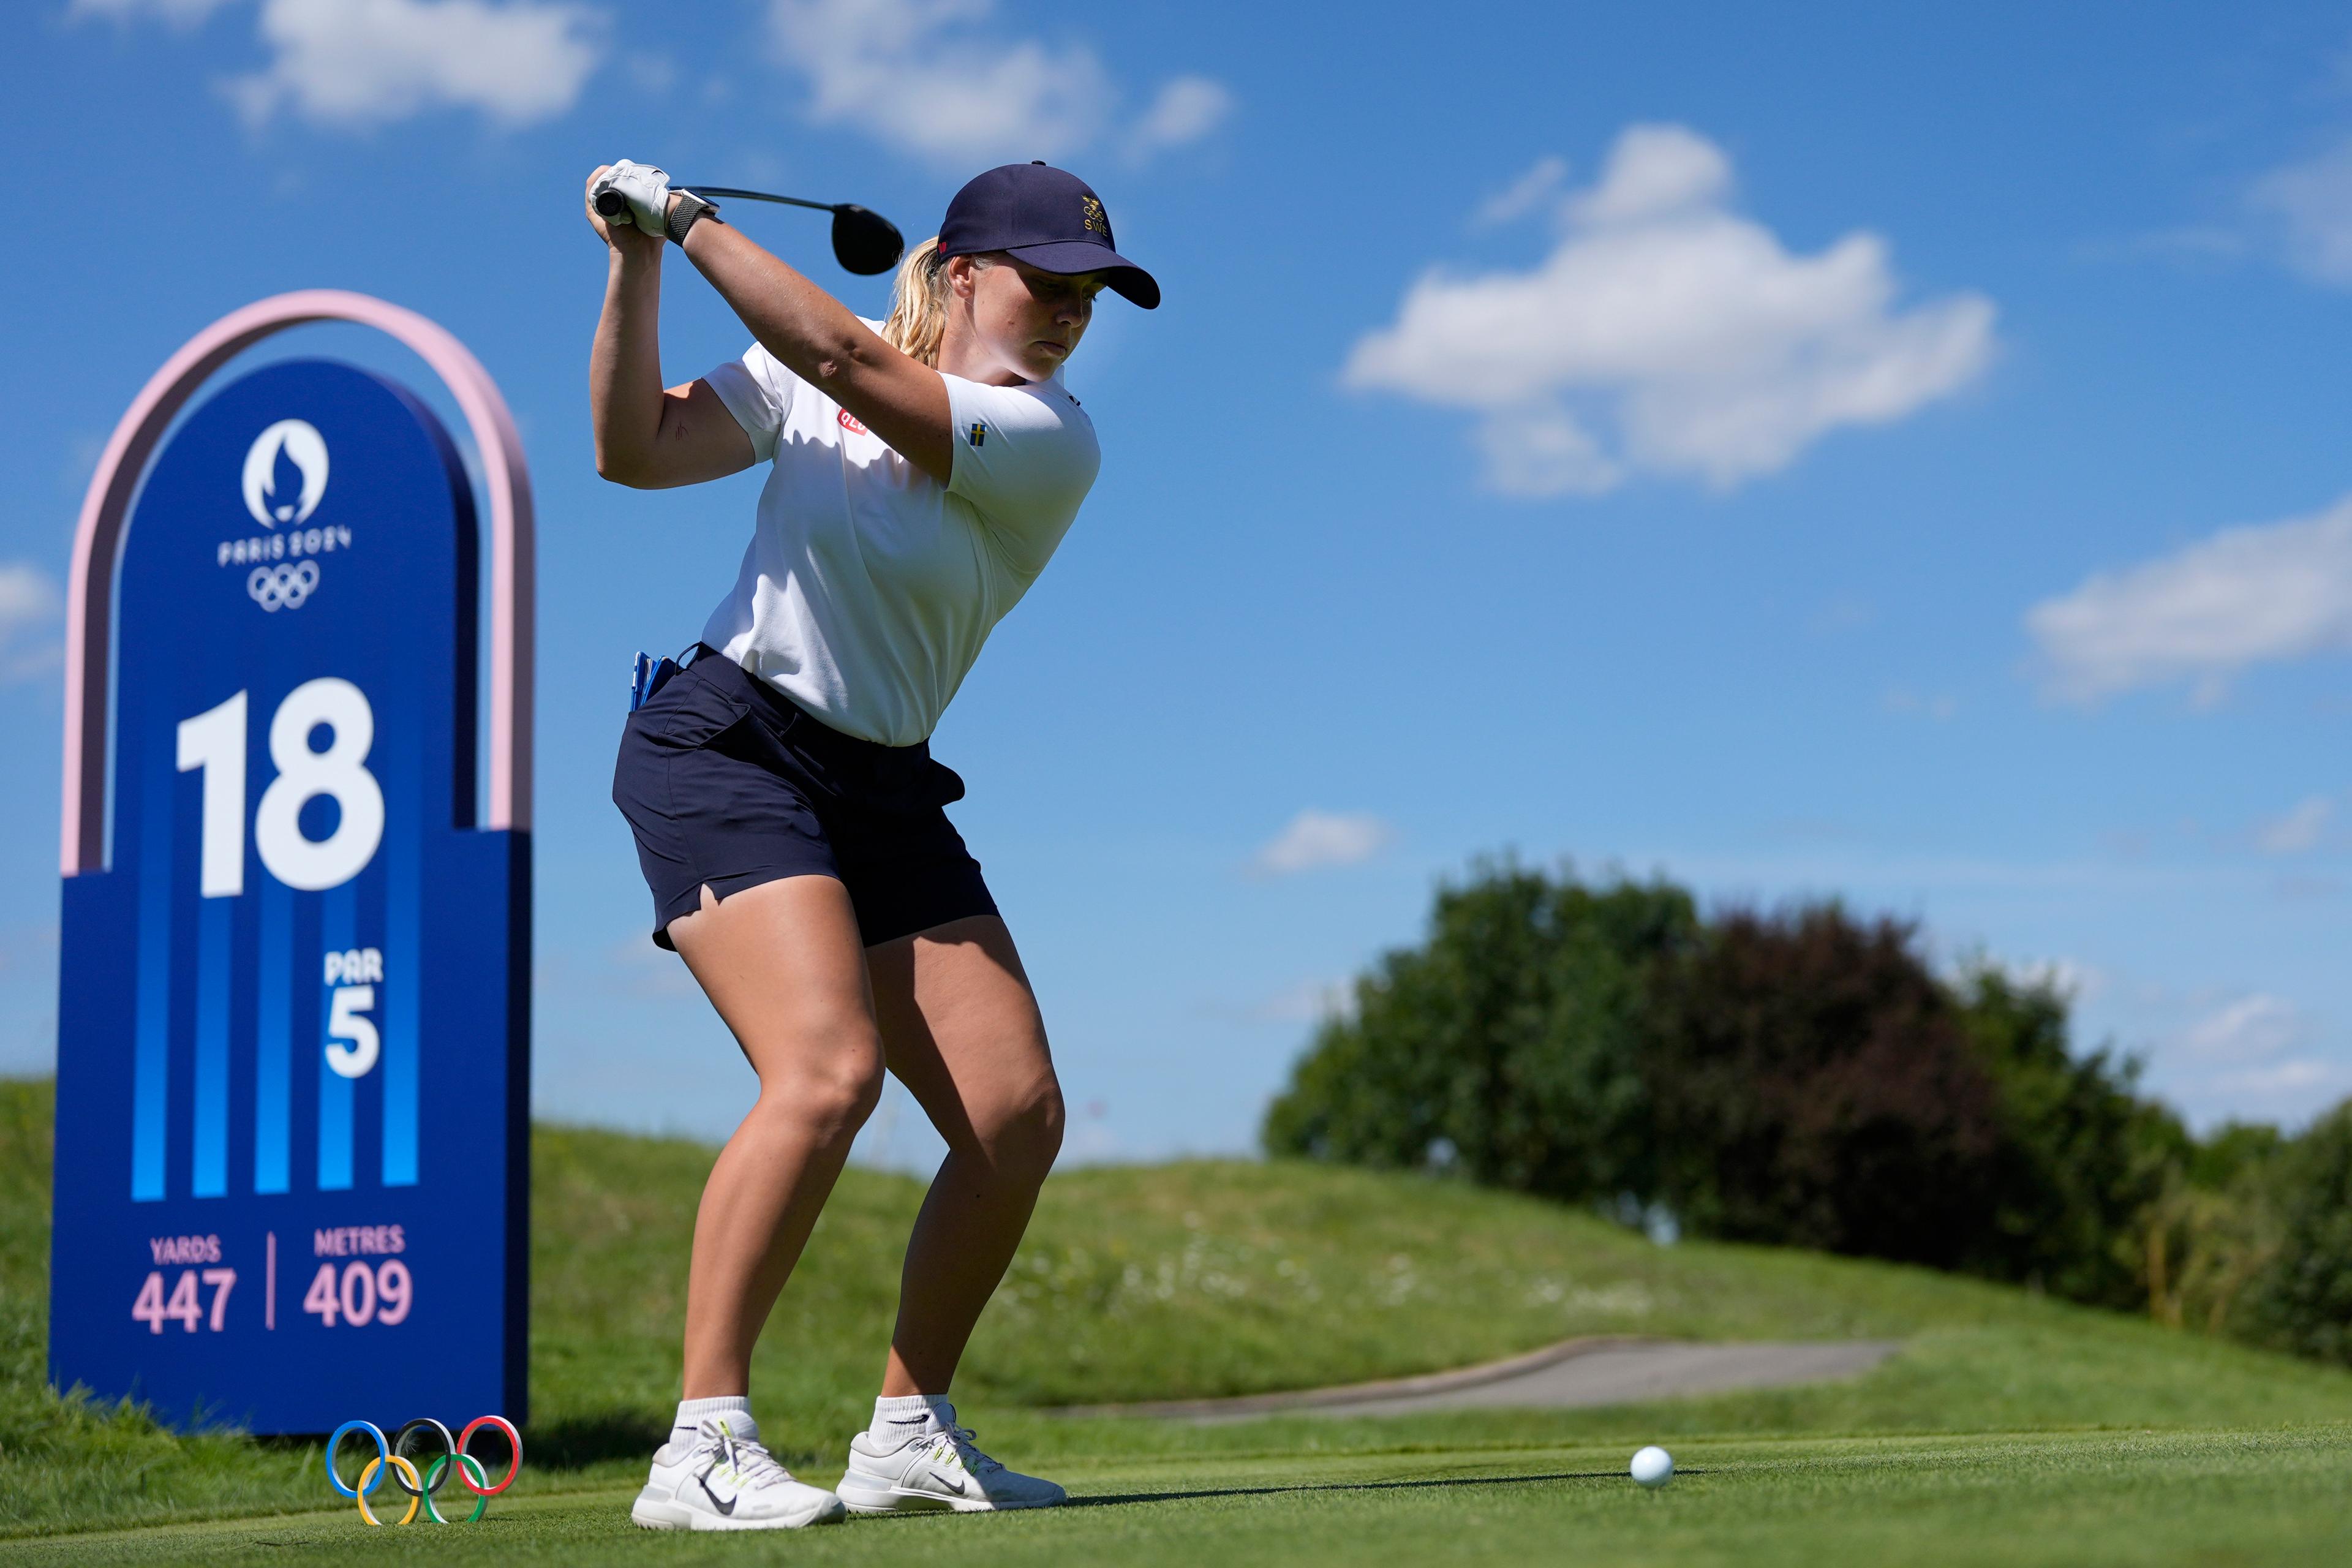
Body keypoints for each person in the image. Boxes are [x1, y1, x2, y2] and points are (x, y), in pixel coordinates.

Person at [584, 157, 1158, 1531]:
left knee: (1014, 1116)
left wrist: (689, 214)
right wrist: (638, 261)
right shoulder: (806, 382)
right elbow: (634, 450)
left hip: (881, 780)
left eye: (1094, 294)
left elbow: (836, 349)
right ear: (962, 271)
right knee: (826, 1072)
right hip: (727, 746)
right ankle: (701, 1441)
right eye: (1049, 282)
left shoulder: (1048, 435)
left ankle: (908, 1427)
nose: (1074, 313)